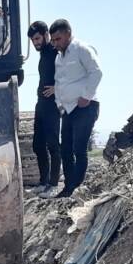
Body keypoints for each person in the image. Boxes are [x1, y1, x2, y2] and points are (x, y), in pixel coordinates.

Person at [50, 18, 102, 199]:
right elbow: (58, 82)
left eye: (58, 39)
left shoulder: (82, 49)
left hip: (86, 107)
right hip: (68, 109)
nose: (55, 43)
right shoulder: (58, 57)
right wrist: (59, 104)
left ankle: (76, 188)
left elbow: (97, 72)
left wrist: (86, 97)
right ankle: (68, 187)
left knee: (79, 148)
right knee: (65, 148)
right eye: (53, 40)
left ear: (68, 34)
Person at [27, 20, 61, 196]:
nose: (36, 43)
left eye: (38, 38)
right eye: (33, 40)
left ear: (46, 34)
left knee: (53, 145)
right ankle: (43, 182)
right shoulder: (43, 54)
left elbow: (69, 73)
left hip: (52, 105)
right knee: (38, 145)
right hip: (40, 105)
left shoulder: (56, 52)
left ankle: (54, 185)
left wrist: (58, 88)